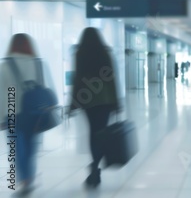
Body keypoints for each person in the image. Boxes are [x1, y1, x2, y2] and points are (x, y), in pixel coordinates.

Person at [0, 34, 56, 195]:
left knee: (17, 148)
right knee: (31, 147)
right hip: (35, 112)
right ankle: (29, 177)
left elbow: (3, 94)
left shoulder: (4, 66)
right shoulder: (39, 63)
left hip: (12, 112)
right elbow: (47, 88)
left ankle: (25, 179)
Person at [69, 28, 121, 189]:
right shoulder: (105, 53)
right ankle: (95, 166)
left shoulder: (80, 53)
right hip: (105, 99)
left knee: (93, 133)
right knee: (102, 132)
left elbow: (77, 79)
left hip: (88, 100)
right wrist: (116, 102)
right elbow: (112, 78)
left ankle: (94, 169)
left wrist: (73, 102)